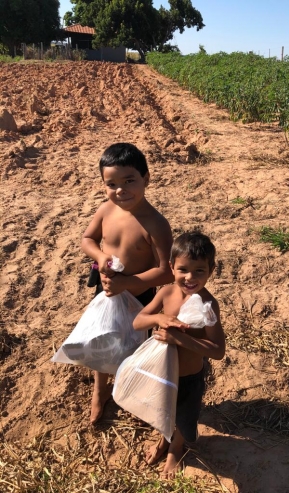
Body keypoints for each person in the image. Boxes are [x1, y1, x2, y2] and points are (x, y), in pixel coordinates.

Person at [81, 142, 174, 424]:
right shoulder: (106, 210)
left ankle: (129, 387)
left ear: (146, 179)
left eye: (129, 181)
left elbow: (166, 273)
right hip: (107, 289)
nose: (120, 190)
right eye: (111, 184)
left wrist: (129, 283)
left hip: (140, 296)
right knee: (104, 338)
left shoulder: (156, 224)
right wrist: (101, 256)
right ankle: (101, 391)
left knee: (133, 345)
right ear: (103, 185)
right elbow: (87, 240)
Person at [133, 231, 225, 478]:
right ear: (172, 267)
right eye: (183, 269)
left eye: (199, 271)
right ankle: (164, 440)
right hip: (161, 373)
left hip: (189, 376)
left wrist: (181, 339)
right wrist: (158, 317)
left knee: (184, 416)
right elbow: (138, 322)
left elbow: (218, 350)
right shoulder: (165, 293)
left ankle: (176, 448)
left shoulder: (208, 305)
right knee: (163, 411)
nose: (190, 277)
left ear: (211, 270)